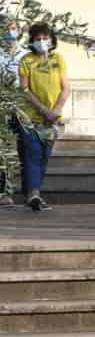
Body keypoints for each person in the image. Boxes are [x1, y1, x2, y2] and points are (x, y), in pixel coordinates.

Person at [15, 22, 70, 211]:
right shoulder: (26, 60)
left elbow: (66, 88)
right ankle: (34, 194)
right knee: (33, 154)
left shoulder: (58, 59)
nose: (42, 42)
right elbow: (24, 89)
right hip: (29, 118)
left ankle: (33, 191)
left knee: (44, 156)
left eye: (45, 38)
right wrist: (42, 110)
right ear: (32, 41)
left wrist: (55, 110)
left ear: (52, 39)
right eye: (38, 39)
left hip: (52, 119)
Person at [1, 15, 27, 209]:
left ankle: (29, 192)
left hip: (22, 107)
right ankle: (5, 192)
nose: (11, 32)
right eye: (7, 28)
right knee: (4, 151)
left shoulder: (25, 55)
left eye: (14, 28)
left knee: (25, 150)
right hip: (2, 107)